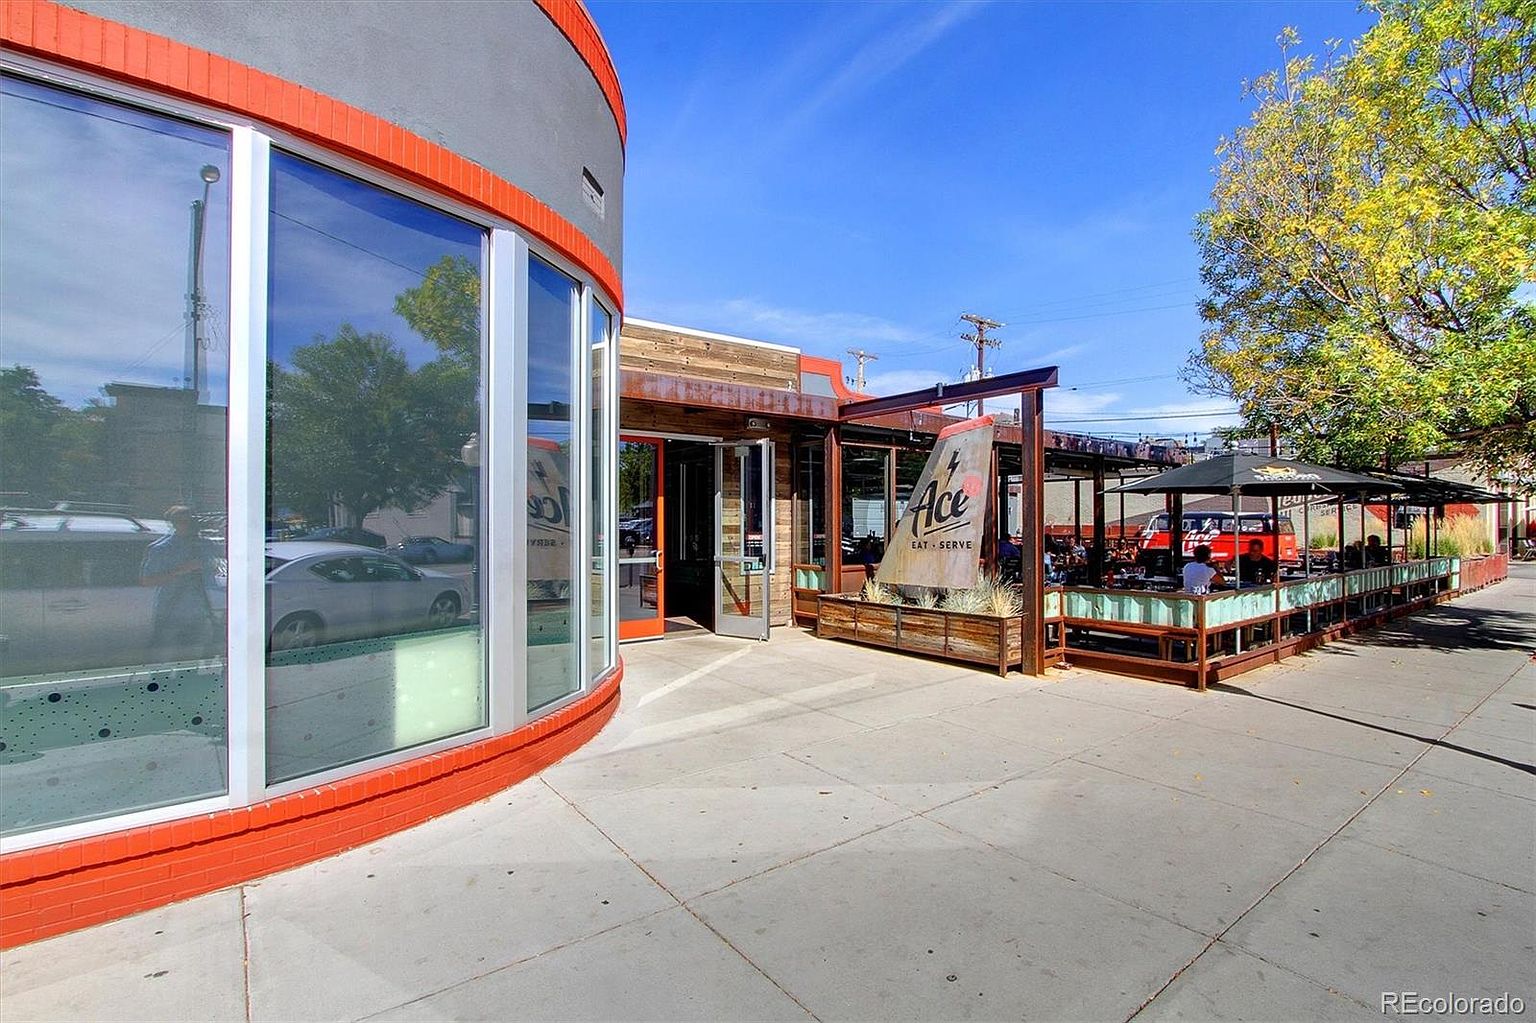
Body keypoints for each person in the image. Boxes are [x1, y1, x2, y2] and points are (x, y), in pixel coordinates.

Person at [141, 506, 217, 661]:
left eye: (191, 520)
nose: (189, 524)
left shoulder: (206, 545)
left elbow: (213, 575)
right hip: (171, 613)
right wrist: (180, 570)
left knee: (192, 662)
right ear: (174, 523)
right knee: (163, 662)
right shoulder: (161, 548)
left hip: (200, 612)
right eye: (184, 521)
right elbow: (147, 580)